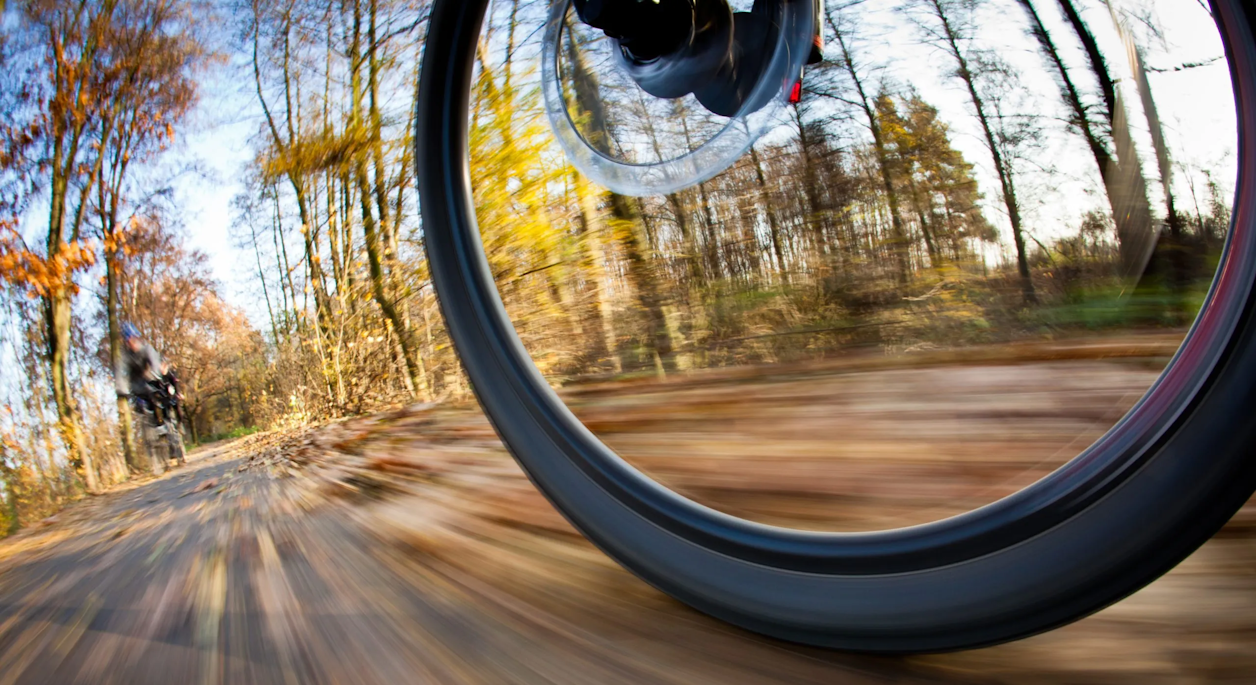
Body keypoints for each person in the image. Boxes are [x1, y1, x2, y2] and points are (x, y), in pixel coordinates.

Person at [116, 323, 168, 433]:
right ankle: (148, 431)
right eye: (129, 340)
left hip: (148, 380)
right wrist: (121, 388)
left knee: (157, 393)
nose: (132, 342)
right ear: (126, 342)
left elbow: (153, 360)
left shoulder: (146, 349)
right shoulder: (125, 356)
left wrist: (157, 372)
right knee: (139, 403)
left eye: (134, 338)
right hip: (136, 385)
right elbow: (121, 371)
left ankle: (162, 422)